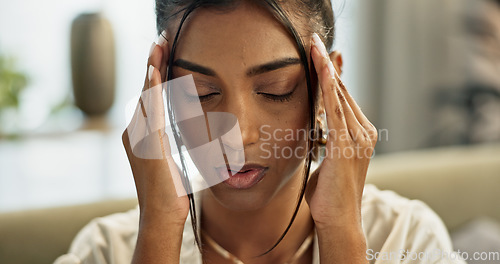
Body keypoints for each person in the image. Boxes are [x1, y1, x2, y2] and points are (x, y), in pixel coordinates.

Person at [55, 0, 467, 263]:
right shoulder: (107, 251)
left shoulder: (406, 239)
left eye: (275, 91)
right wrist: (160, 228)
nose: (237, 136)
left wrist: (341, 229)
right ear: (162, 95)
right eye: (203, 93)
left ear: (329, 87)